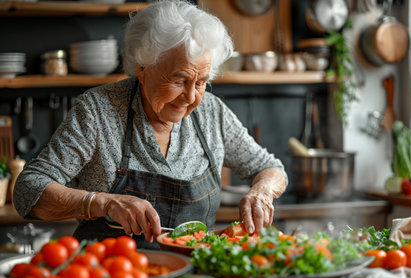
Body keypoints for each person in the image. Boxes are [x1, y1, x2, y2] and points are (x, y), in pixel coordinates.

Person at [13, 0, 287, 249]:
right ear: (142, 68)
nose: (191, 97)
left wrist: (262, 192)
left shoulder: (212, 113)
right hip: (113, 275)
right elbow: (29, 189)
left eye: (201, 82)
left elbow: (269, 168)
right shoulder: (98, 110)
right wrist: (101, 202)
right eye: (179, 80)